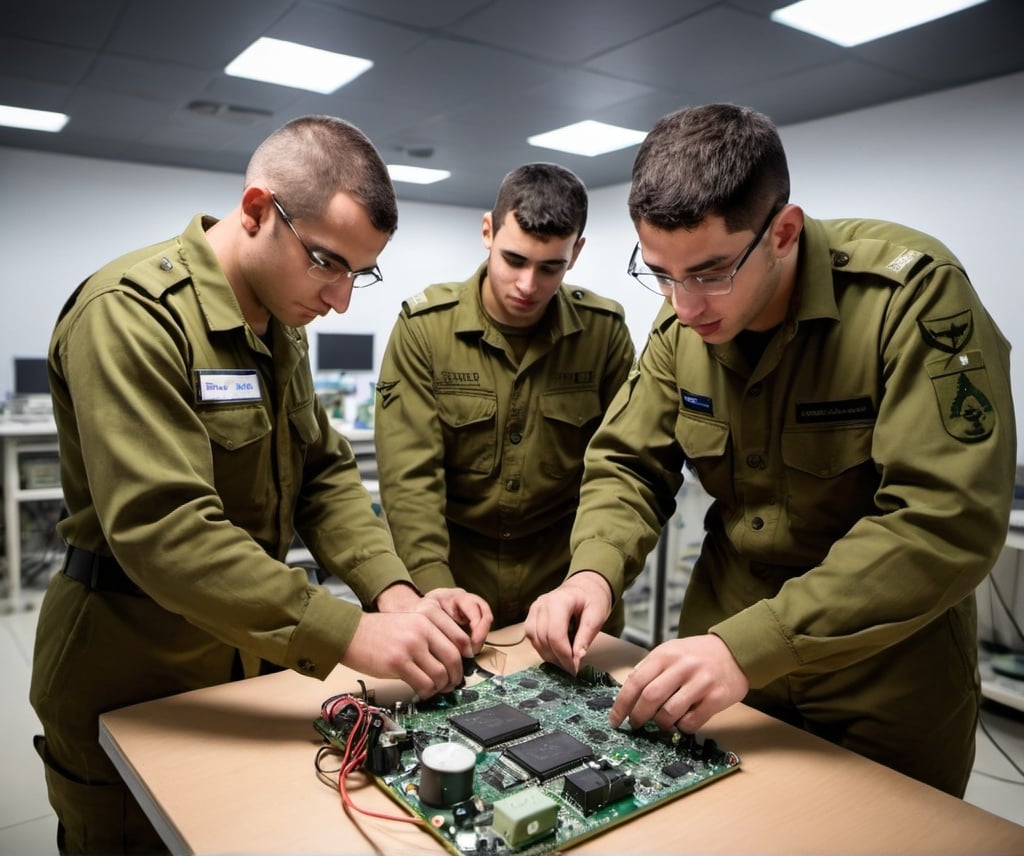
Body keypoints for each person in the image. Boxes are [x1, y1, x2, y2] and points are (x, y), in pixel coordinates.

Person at [30, 115, 492, 854]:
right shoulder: (131, 314)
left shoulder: (281, 324)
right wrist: (353, 634)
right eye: (326, 262)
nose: (341, 299)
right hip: (133, 666)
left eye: (358, 272)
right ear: (255, 212)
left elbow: (323, 472)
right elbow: (166, 531)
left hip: (250, 661)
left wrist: (395, 593)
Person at [526, 103, 1016, 796]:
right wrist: (593, 573)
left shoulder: (911, 297)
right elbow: (629, 463)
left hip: (883, 674)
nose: (685, 304)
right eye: (661, 273)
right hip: (715, 654)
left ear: (783, 232)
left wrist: (749, 647)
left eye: (711, 272)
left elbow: (944, 518)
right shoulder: (682, 317)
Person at [374, 163, 635, 629]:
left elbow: (619, 468)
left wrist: (592, 578)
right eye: (515, 260)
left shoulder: (604, 333)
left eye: (550, 267)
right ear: (488, 231)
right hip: (452, 582)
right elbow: (410, 479)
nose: (528, 286)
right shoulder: (425, 330)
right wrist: (435, 588)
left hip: (563, 589)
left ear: (575, 253)